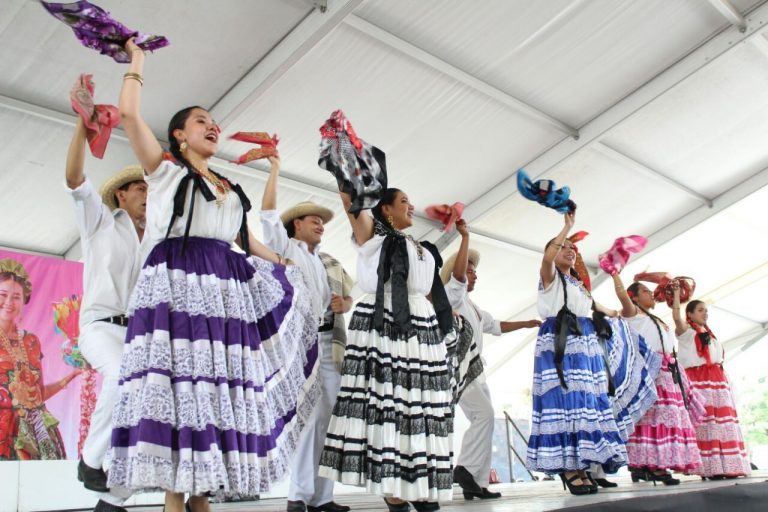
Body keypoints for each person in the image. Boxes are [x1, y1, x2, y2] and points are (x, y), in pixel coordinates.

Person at [106, 38, 321, 512]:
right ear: (179, 135)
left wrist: (284, 264)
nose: (212, 126)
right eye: (201, 121)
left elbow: (247, 240)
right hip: (180, 281)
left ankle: (200, 497)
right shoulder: (165, 171)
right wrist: (136, 60)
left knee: (216, 389)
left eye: (214, 122)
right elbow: (129, 116)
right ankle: (174, 498)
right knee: (182, 382)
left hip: (224, 290)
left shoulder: (226, 187)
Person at [318, 188, 461, 512]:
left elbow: (428, 280)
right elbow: (350, 202)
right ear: (385, 210)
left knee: (420, 405)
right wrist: (348, 168)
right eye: (404, 202)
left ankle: (418, 483)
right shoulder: (374, 238)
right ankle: (392, 487)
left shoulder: (417, 245)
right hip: (385, 322)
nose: (411, 206)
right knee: (390, 402)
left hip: (420, 325)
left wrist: (455, 228)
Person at [525, 212, 659, 496]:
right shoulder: (550, 277)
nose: (570, 251)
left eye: (572, 249)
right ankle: (568, 467)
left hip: (584, 345)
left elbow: (599, 308)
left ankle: (581, 463)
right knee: (564, 399)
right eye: (564, 247)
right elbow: (547, 259)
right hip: (560, 341)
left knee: (584, 401)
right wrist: (567, 227)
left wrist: (616, 313)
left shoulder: (578, 286)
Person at [65, 111, 147, 512]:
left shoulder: (157, 239)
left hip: (140, 334)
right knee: (119, 377)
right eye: (140, 188)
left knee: (143, 412)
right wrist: (83, 125)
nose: (148, 194)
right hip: (100, 326)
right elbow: (74, 180)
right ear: (121, 195)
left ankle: (111, 500)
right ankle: (90, 459)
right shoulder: (100, 222)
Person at [260, 164, 353, 512]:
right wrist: (275, 168)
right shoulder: (286, 248)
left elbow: (348, 295)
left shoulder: (327, 262)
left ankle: (322, 497)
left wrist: (345, 303)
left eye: (322, 222)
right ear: (296, 224)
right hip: (301, 345)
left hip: (330, 343)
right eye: (314, 220)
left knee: (332, 420)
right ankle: (298, 496)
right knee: (309, 419)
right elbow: (268, 214)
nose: (321, 225)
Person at [441, 219, 540, 500]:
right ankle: (465, 469)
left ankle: (477, 481)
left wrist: (526, 323)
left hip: (475, 368)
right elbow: (457, 278)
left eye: (475, 272)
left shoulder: (472, 306)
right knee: (483, 414)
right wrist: (465, 238)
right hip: (460, 368)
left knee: (486, 417)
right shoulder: (452, 296)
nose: (474, 276)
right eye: (470, 271)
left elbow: (495, 325)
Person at [612, 276, 703, 486]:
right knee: (652, 417)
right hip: (650, 368)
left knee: (667, 417)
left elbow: (676, 313)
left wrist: (677, 294)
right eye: (645, 291)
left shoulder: (654, 318)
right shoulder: (632, 313)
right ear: (634, 297)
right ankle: (650, 466)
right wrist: (615, 274)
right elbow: (622, 295)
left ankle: (650, 465)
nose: (650, 293)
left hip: (668, 370)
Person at [0, 258, 78, 461]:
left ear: (24, 300)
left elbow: (38, 394)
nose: (9, 302)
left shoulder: (31, 341)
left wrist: (71, 376)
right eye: (3, 295)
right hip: (3, 433)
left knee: (40, 480)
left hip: (36, 430)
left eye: (16, 297)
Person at [672, 285, 751, 479]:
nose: (705, 313)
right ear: (690, 314)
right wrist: (676, 296)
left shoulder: (709, 334)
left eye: (706, 310)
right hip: (699, 381)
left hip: (717, 380)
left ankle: (728, 466)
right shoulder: (686, 332)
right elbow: (676, 317)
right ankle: (709, 468)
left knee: (723, 424)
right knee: (706, 423)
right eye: (700, 310)